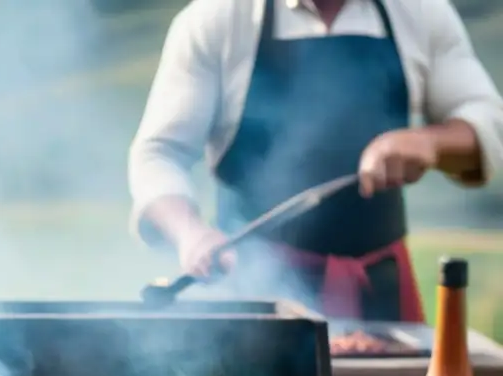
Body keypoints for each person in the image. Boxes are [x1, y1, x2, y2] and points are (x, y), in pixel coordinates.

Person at [128, 0, 503, 321]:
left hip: (379, 293)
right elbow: (160, 153)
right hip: (256, 294)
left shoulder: (418, 11)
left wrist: (429, 142)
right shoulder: (220, 18)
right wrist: (190, 233)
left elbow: (488, 118)